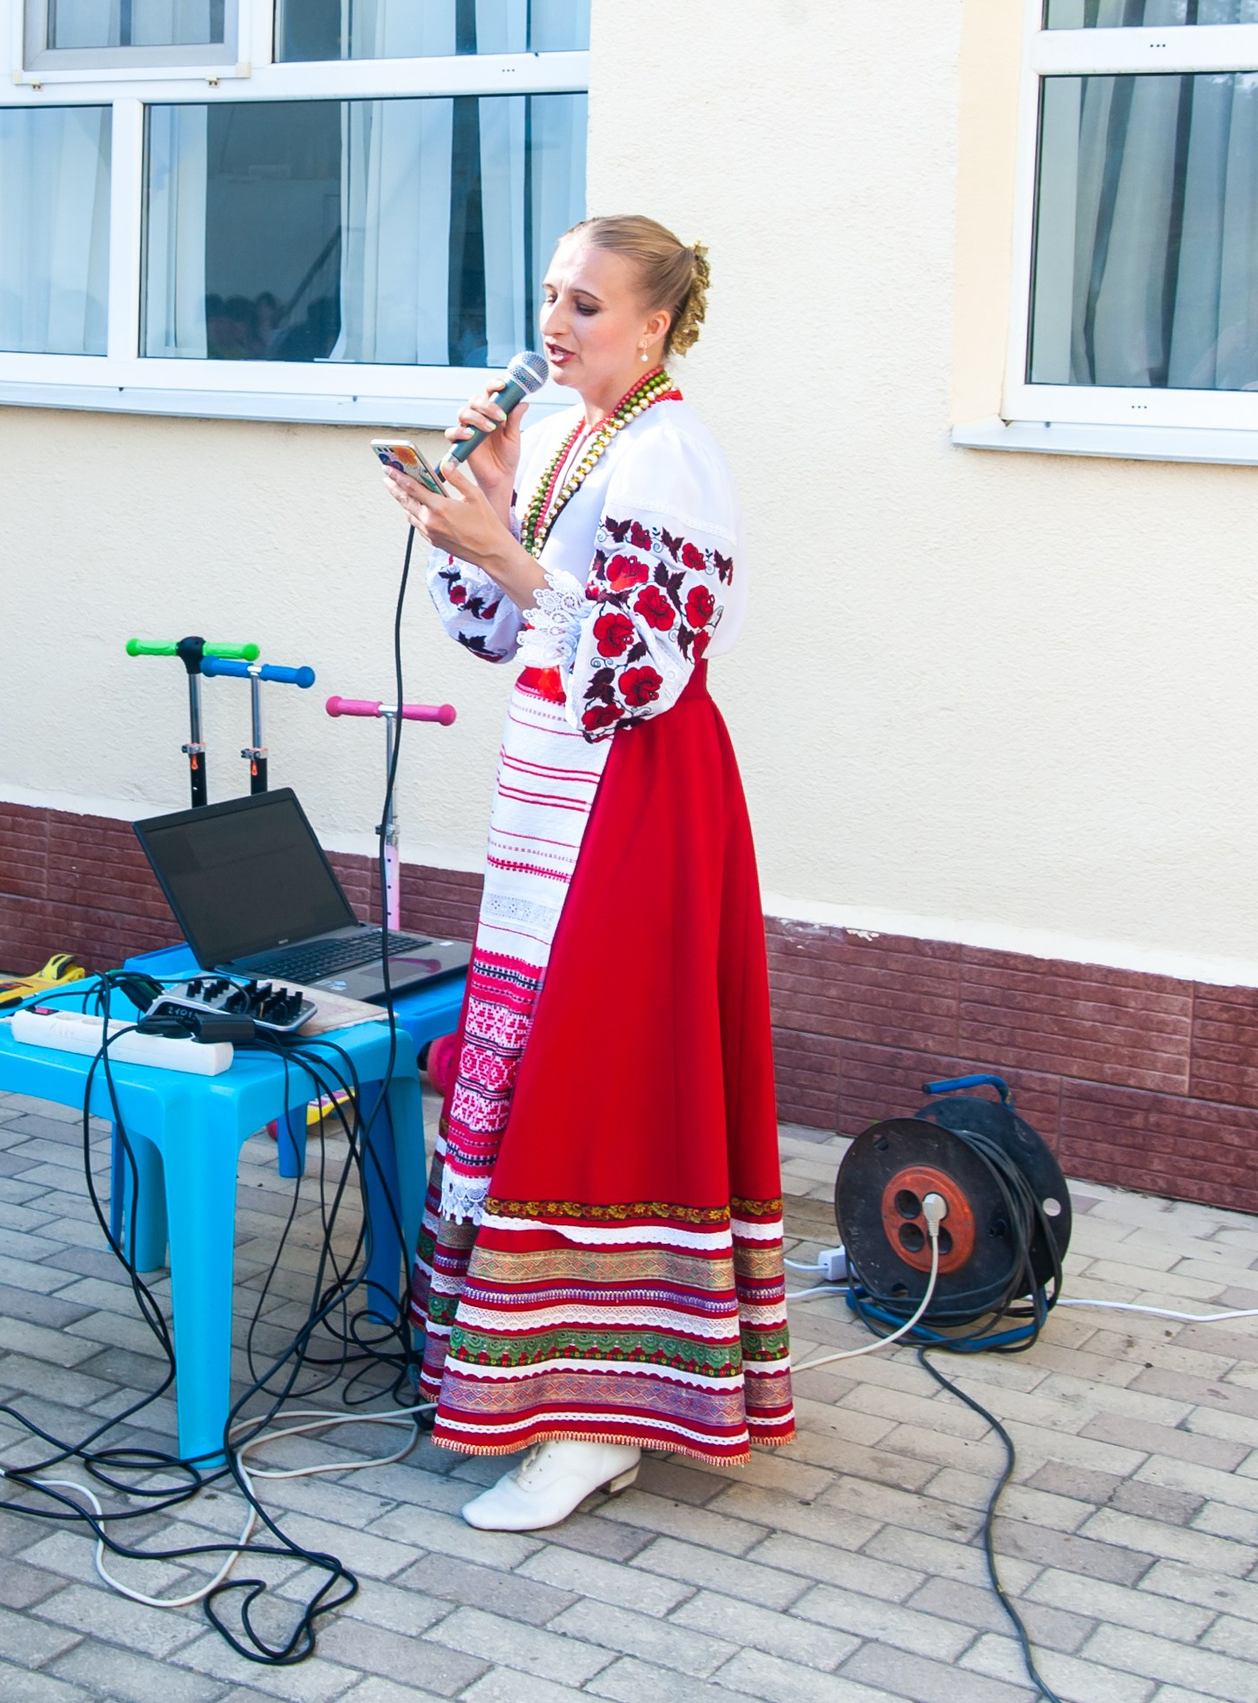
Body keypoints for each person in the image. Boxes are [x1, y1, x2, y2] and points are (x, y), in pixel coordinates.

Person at [378, 214, 790, 1532]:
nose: (557, 325)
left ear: (658, 324)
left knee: (599, 1082)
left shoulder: (675, 455)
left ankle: (594, 1419)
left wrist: (510, 552)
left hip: (638, 801)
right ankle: (545, 1392)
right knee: (547, 1064)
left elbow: (636, 671)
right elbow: (505, 635)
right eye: (552, 297)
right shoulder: (572, 438)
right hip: (552, 798)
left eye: (590, 307)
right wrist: (488, 503)